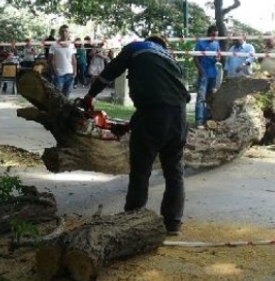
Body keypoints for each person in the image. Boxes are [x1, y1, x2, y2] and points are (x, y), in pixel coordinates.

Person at [81, 35, 190, 236]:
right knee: (174, 171)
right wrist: (132, 124)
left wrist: (90, 96)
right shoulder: (170, 59)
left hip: (152, 114)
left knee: (141, 169)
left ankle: (132, 219)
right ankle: (173, 223)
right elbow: (167, 97)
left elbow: (109, 73)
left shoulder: (136, 47)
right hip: (179, 117)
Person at [193, 25, 220, 128]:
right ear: (208, 34)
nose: (214, 37)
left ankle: (208, 119)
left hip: (213, 74)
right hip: (204, 75)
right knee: (201, 97)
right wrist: (201, 70)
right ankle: (199, 121)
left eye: (216, 35)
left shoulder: (216, 44)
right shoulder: (200, 43)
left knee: (210, 97)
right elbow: (195, 59)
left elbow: (218, 56)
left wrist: (217, 58)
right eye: (213, 35)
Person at [48, 25, 77, 99]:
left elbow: (73, 59)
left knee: (66, 98)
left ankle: (64, 110)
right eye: (62, 31)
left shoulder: (71, 45)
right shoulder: (54, 45)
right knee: (57, 97)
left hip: (70, 75)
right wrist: (55, 73)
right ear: (60, 33)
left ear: (69, 33)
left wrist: (75, 72)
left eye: (66, 31)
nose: (64, 33)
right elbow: (50, 60)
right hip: (59, 75)